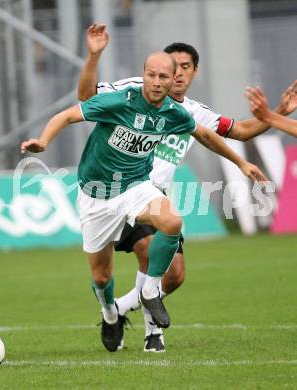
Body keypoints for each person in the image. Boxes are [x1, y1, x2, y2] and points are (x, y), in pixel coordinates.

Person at [22, 51, 267, 353]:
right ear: (144, 73)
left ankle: (150, 291)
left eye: (163, 77)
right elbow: (69, 115)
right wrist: (43, 141)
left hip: (136, 186)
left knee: (172, 222)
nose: (157, 81)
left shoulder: (173, 112)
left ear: (171, 80)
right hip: (96, 194)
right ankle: (111, 313)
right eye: (152, 75)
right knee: (101, 276)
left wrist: (241, 165)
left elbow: (203, 134)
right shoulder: (119, 100)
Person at [78, 23, 297, 352]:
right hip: (116, 188)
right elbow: (86, 97)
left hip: (149, 196)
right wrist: (94, 57)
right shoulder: (130, 90)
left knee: (175, 274)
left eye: (185, 68)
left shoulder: (194, 113)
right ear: (159, 71)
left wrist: (276, 113)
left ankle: (122, 310)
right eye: (173, 67)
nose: (178, 74)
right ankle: (145, 328)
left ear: (194, 72)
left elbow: (241, 131)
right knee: (122, 266)